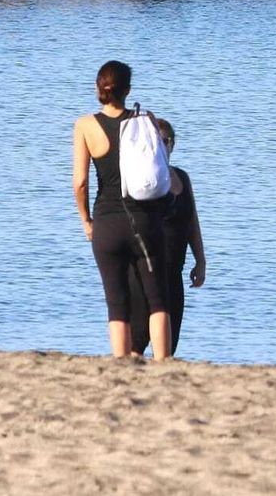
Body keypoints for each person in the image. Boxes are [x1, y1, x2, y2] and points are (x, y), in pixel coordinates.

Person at [71, 60, 173, 360]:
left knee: (117, 302)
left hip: (107, 223)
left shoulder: (86, 126)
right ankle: (163, 363)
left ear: (97, 88)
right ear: (128, 90)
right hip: (146, 220)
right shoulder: (147, 120)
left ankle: (119, 364)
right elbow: (161, 170)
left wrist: (86, 220)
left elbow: (80, 182)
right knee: (158, 300)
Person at [126, 117, 206, 357]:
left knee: (170, 343)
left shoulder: (182, 177)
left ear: (172, 145)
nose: (163, 147)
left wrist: (200, 260)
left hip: (174, 270)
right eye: (157, 142)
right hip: (145, 269)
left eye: (166, 141)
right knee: (138, 338)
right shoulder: (142, 181)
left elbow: (192, 221)